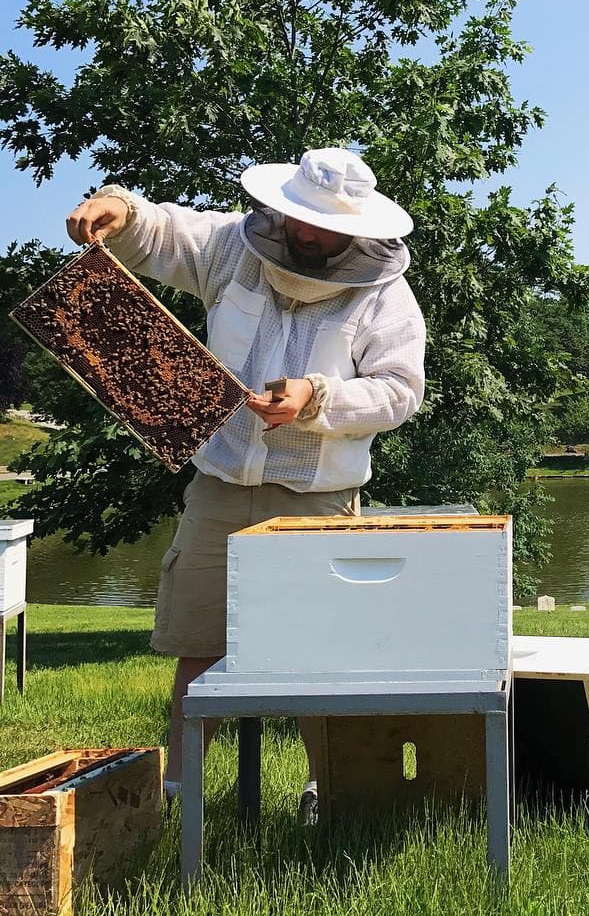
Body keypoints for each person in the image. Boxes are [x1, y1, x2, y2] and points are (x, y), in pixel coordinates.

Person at [65, 148, 426, 824]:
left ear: (359, 231)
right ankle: (176, 801)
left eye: (326, 229)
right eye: (301, 221)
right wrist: (120, 206)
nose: (309, 237)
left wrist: (317, 398)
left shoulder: (384, 290)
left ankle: (329, 793)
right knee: (198, 644)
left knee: (323, 659)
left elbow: (401, 392)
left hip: (316, 499)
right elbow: (165, 232)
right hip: (220, 484)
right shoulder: (238, 248)